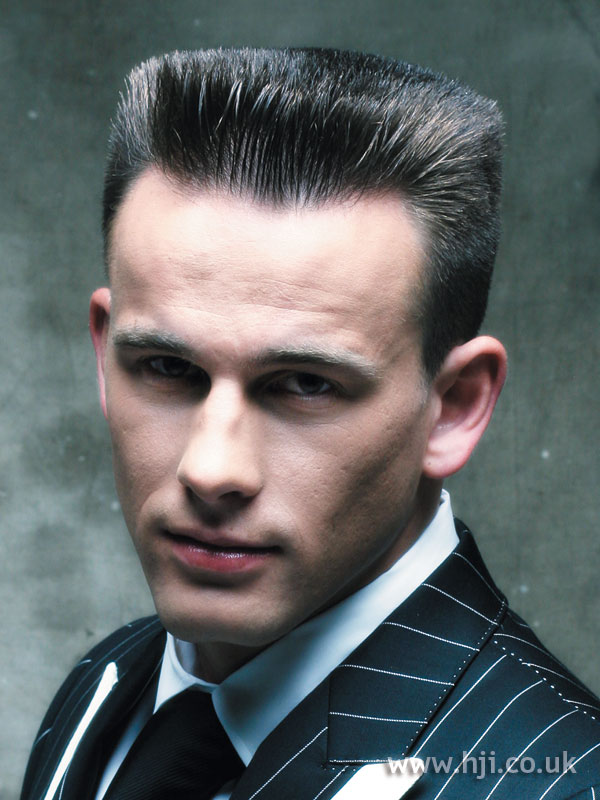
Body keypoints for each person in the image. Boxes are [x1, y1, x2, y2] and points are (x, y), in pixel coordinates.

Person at [20, 47, 600, 800]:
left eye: (304, 385)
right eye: (167, 367)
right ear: (105, 357)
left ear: (454, 406)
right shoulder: (100, 690)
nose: (212, 470)